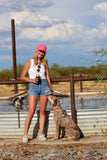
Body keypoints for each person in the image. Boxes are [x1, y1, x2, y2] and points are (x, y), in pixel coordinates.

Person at [21, 44, 52, 142]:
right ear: (36, 51)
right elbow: (22, 77)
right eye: (40, 51)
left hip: (44, 86)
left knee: (42, 111)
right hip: (33, 86)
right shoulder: (29, 62)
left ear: (44, 53)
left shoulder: (45, 64)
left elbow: (47, 77)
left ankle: (41, 134)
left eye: (43, 52)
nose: (41, 53)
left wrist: (50, 90)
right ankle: (25, 135)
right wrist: (31, 80)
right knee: (31, 111)